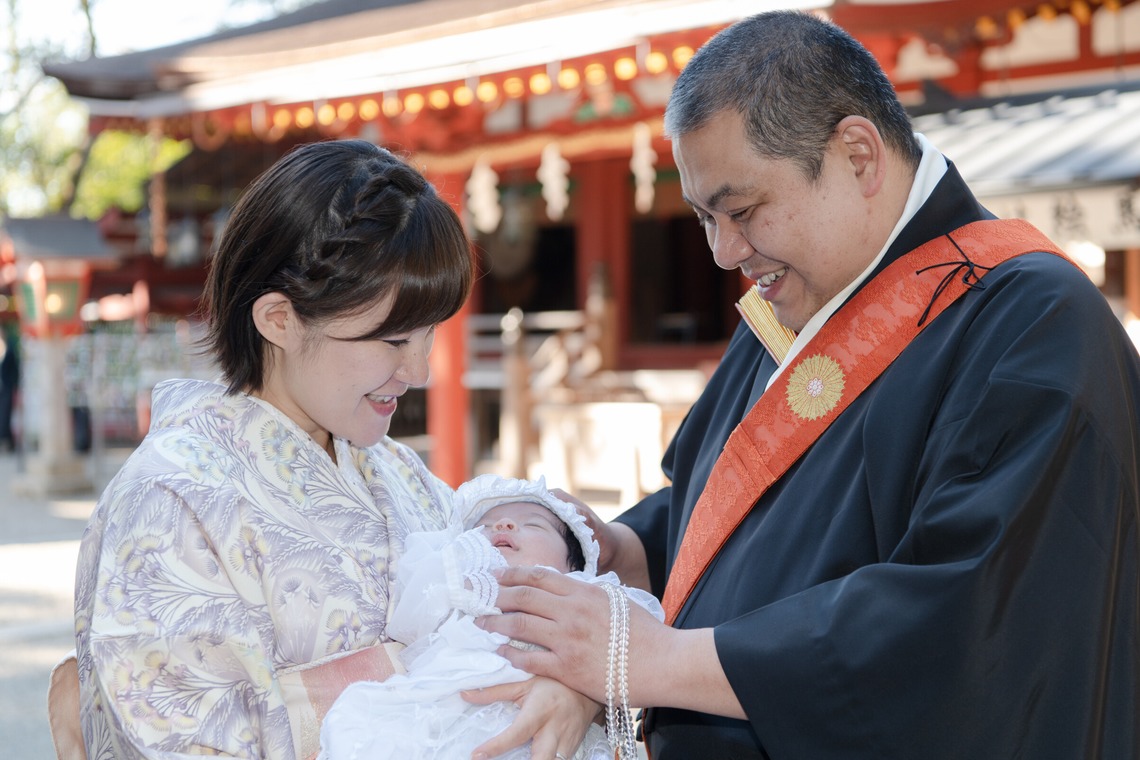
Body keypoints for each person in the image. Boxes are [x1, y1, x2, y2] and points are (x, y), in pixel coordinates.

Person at [478, 10, 1140, 760]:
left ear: (858, 156)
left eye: (743, 210)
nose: (727, 251)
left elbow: (971, 621)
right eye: (704, 218)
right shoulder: (794, 298)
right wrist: (632, 550)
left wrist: (657, 660)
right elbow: (734, 505)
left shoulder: (1033, 320)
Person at [72, 140, 597, 760]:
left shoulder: (397, 470)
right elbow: (181, 731)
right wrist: (438, 672)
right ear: (278, 319)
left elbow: (529, 606)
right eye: (394, 339)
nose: (420, 370)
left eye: (429, 335)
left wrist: (570, 687)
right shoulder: (170, 499)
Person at [318, 474, 663, 760]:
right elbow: (414, 613)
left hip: (543, 723)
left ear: (574, 565)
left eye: (533, 524)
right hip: (443, 713)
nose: (504, 524)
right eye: (485, 525)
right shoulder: (459, 597)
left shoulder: (584, 600)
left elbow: (633, 638)